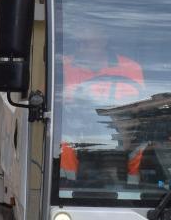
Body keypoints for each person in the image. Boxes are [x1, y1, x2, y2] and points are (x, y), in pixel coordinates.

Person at [58, 24, 146, 184]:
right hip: (77, 131)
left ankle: (134, 191)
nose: (82, 48)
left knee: (142, 149)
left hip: (119, 128)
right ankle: (67, 187)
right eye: (79, 43)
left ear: (104, 41)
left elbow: (138, 108)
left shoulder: (130, 68)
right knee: (63, 146)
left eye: (87, 43)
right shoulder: (61, 67)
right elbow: (58, 108)